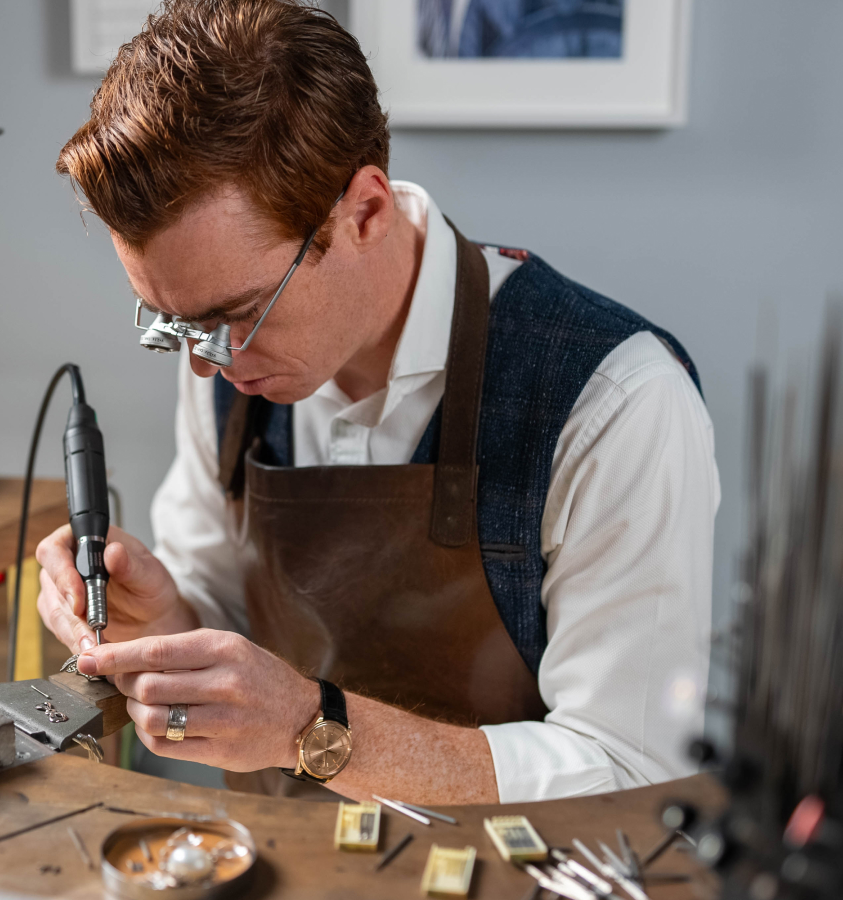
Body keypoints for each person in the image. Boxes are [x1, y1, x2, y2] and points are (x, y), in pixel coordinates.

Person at [38, 0, 716, 804]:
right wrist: (161, 618)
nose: (202, 366)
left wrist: (310, 730)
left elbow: (635, 768)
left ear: (365, 211)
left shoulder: (616, 402)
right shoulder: (231, 355)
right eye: (172, 323)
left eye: (236, 314)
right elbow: (226, 612)